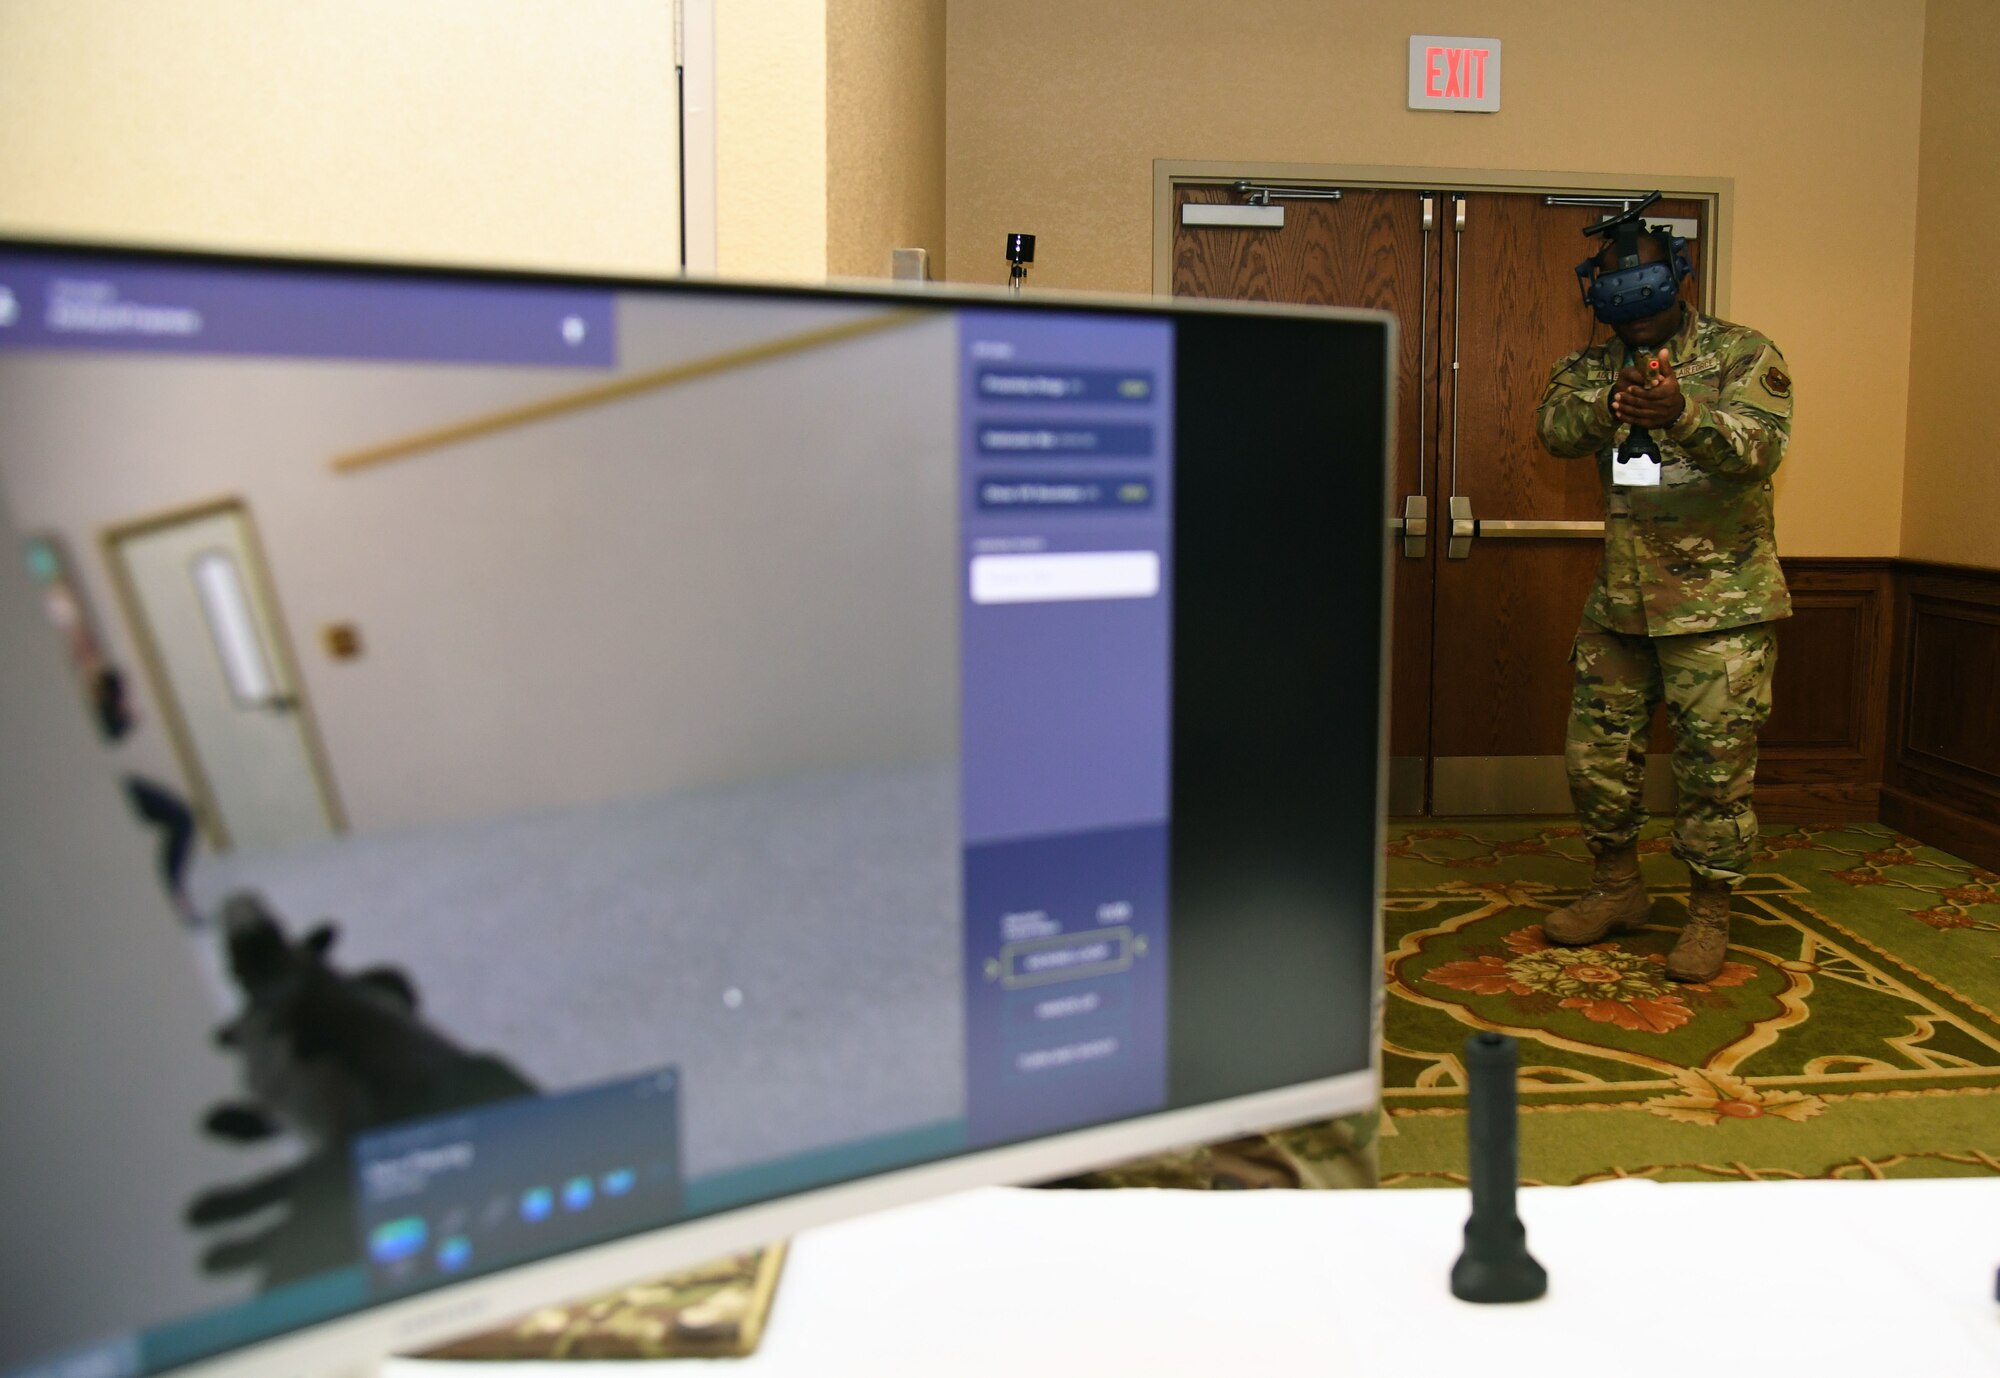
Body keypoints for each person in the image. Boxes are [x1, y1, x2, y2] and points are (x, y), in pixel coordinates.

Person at [1533, 216, 1793, 982]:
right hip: (1622, 603)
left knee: (1715, 770)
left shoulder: (1745, 353)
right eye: (1618, 296)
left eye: (1646, 289)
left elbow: (1761, 449)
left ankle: (1710, 912)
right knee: (1596, 761)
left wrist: (1682, 413)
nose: (1635, 310)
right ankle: (1617, 889)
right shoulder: (1591, 365)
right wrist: (1612, 404)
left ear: (1678, 276)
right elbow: (1555, 429)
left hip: (1721, 608)